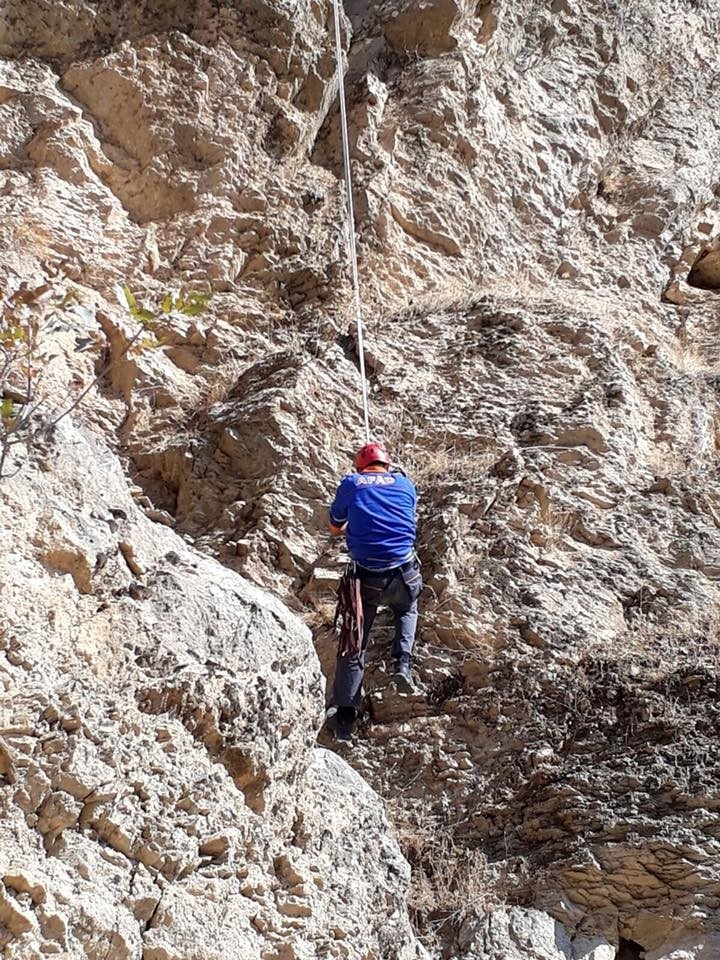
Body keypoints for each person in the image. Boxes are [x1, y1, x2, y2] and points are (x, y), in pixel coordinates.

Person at [327, 441, 422, 742]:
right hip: (405, 574)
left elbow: (334, 527)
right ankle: (402, 664)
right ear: (388, 465)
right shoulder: (405, 484)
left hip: (367, 580)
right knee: (407, 608)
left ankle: (345, 718)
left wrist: (354, 524)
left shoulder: (351, 484)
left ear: (359, 467)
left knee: (354, 642)